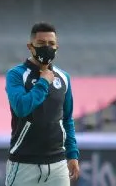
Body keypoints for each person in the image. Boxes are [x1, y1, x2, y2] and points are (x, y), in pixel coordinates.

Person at [5, 22, 80, 186]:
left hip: (58, 164)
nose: (47, 47)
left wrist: (72, 154)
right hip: (24, 163)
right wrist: (44, 82)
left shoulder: (64, 78)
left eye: (51, 44)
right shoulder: (16, 75)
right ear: (30, 47)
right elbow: (21, 108)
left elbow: (67, 118)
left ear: (57, 47)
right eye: (41, 44)